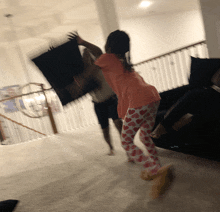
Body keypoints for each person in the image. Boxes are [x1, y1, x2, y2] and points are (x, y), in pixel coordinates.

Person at [70, 30, 174, 199]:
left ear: (109, 45)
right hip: (152, 97)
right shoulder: (121, 60)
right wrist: (82, 42)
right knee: (145, 137)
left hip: (139, 100)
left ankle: (157, 172)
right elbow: (97, 52)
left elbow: (89, 73)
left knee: (126, 142)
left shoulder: (107, 58)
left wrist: (76, 82)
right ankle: (156, 167)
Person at [68, 32, 123, 156]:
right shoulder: (83, 73)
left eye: (88, 54)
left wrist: (83, 42)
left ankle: (127, 145)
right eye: (84, 55)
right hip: (98, 103)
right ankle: (111, 148)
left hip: (111, 99)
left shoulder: (100, 64)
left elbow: (98, 50)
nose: (86, 55)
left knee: (118, 123)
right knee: (104, 129)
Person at [151, 68, 220, 139]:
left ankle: (164, 126)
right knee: (191, 95)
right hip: (211, 91)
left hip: (214, 96)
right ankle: (164, 124)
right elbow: (214, 80)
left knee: (193, 95)